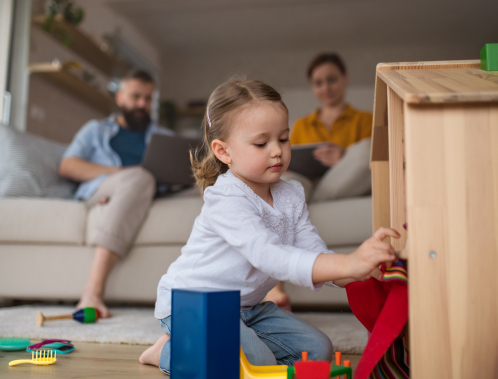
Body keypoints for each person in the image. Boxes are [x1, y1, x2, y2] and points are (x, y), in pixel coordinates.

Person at [138, 78, 399, 374]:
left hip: (247, 307)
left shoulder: (292, 194)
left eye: (284, 139)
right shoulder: (226, 198)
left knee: (318, 351)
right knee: (256, 365)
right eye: (262, 143)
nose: (277, 151)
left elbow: (313, 250)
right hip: (192, 305)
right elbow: (270, 256)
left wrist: (361, 269)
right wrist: (350, 263)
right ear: (224, 152)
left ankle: (214, 345)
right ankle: (166, 351)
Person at [58, 70, 173, 318]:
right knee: (140, 177)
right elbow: (68, 165)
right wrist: (119, 172)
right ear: (120, 98)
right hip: (104, 187)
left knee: (216, 185)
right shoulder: (95, 130)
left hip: (149, 190)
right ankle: (92, 292)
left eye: (148, 98)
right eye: (136, 97)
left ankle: (262, 288)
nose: (143, 104)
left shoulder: (163, 137)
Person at [265, 53, 373, 309]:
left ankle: (296, 202)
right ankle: (275, 285)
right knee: (288, 182)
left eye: (332, 80)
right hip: (306, 184)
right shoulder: (301, 125)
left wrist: (343, 158)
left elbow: (365, 166)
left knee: (366, 149)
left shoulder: (365, 120)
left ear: (345, 79)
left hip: (342, 183)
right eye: (319, 82)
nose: (326, 87)